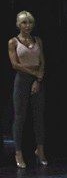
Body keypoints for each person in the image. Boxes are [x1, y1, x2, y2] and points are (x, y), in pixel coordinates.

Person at [7, 11, 46, 168]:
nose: (27, 26)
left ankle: (40, 150)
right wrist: (33, 74)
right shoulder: (13, 42)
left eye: (30, 22)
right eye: (24, 22)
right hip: (22, 80)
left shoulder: (38, 40)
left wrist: (38, 79)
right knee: (20, 117)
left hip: (37, 81)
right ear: (18, 24)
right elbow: (15, 64)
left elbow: (42, 61)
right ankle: (18, 152)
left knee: (39, 116)